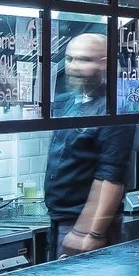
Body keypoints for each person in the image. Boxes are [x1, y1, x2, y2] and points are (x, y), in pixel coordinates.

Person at [44, 30, 130, 255]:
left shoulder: (114, 110)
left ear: (104, 64)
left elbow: (110, 175)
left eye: (83, 60)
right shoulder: (68, 103)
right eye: (69, 59)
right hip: (60, 220)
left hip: (81, 223)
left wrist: (89, 233)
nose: (72, 67)